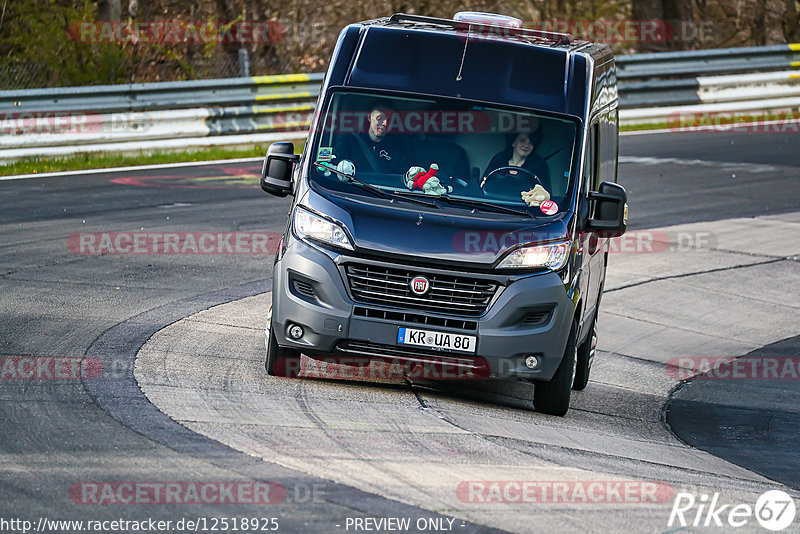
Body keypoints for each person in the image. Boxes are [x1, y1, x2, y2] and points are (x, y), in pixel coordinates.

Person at [331, 101, 410, 175]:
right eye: (380, 118)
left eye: (390, 119)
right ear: (369, 117)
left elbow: (405, 176)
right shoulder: (348, 142)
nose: (385, 123)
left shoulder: (399, 148)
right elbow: (332, 167)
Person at [481, 130, 551, 192]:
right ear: (513, 142)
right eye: (522, 140)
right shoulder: (499, 159)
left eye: (531, 142)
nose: (526, 145)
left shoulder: (540, 165)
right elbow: (483, 184)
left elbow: (546, 195)